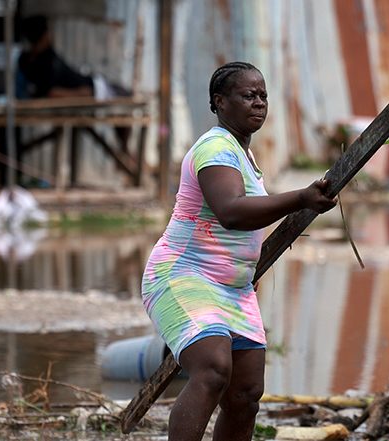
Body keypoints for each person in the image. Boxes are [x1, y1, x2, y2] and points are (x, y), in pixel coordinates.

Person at [141, 61, 336, 441]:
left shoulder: (243, 155)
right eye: (248, 95)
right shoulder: (215, 148)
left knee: (246, 395)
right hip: (183, 276)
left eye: (263, 96)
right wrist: (300, 197)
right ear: (220, 102)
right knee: (213, 370)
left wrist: (245, 270)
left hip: (233, 288)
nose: (259, 103)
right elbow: (230, 212)